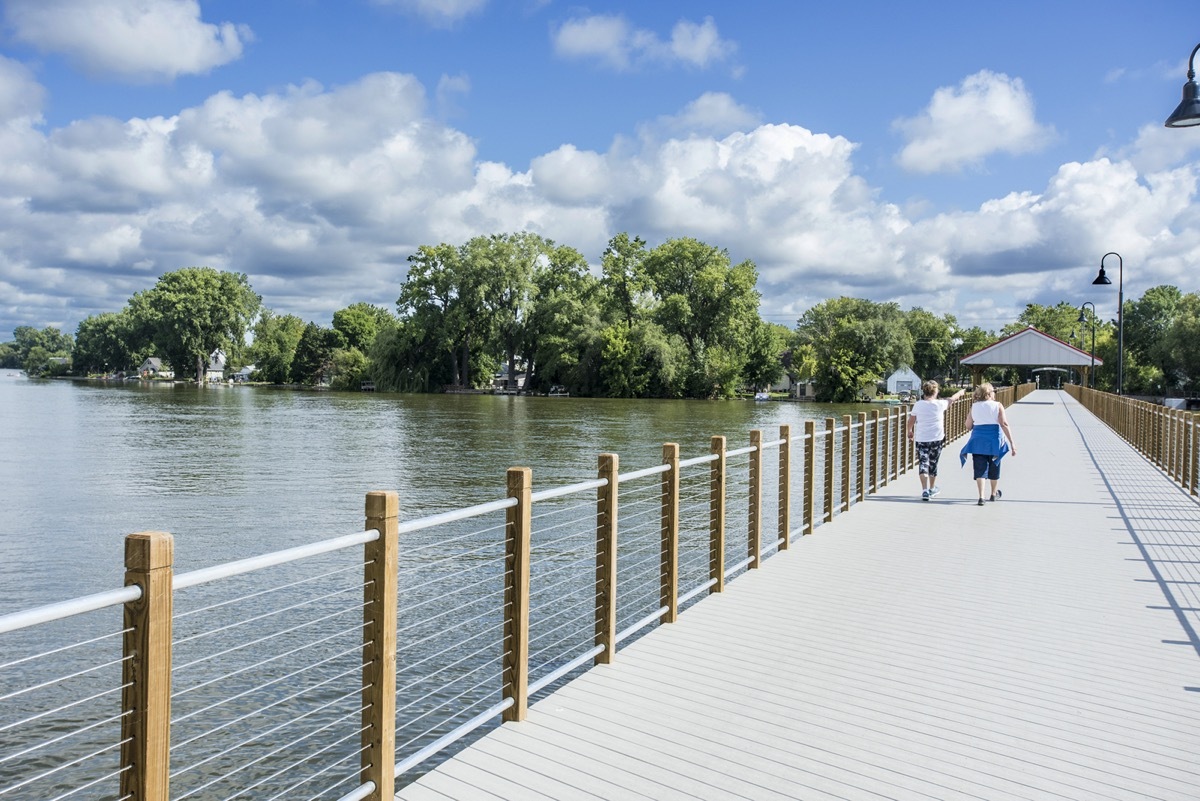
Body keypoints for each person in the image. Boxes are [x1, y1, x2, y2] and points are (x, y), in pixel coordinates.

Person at [906, 379, 965, 500]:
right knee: (933, 464)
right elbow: (952, 399)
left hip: (922, 439)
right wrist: (960, 392)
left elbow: (911, 420)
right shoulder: (940, 404)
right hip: (937, 439)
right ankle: (932, 488)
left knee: (923, 463)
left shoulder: (918, 404)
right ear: (935, 391)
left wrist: (909, 431)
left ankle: (924, 490)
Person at [959, 382, 1017, 506]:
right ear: (990, 393)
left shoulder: (974, 406)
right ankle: (993, 493)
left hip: (978, 443)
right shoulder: (997, 405)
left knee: (980, 469)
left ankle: (981, 497)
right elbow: (1004, 424)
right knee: (995, 466)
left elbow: (968, 426)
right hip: (994, 443)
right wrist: (1012, 443)